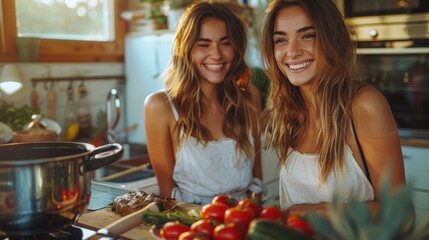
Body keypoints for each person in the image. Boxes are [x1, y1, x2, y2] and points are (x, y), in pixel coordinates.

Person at [259, 0, 405, 215]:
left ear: (331, 39)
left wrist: (313, 212)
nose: (292, 51)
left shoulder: (363, 104)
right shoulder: (287, 111)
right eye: (281, 40)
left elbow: (400, 212)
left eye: (307, 35)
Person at [144, 1, 264, 205]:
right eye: (203, 44)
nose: (216, 54)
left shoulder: (249, 96)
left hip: (244, 223)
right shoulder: (160, 107)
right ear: (186, 49)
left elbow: (257, 179)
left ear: (236, 48)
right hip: (191, 228)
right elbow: (167, 195)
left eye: (225, 43)